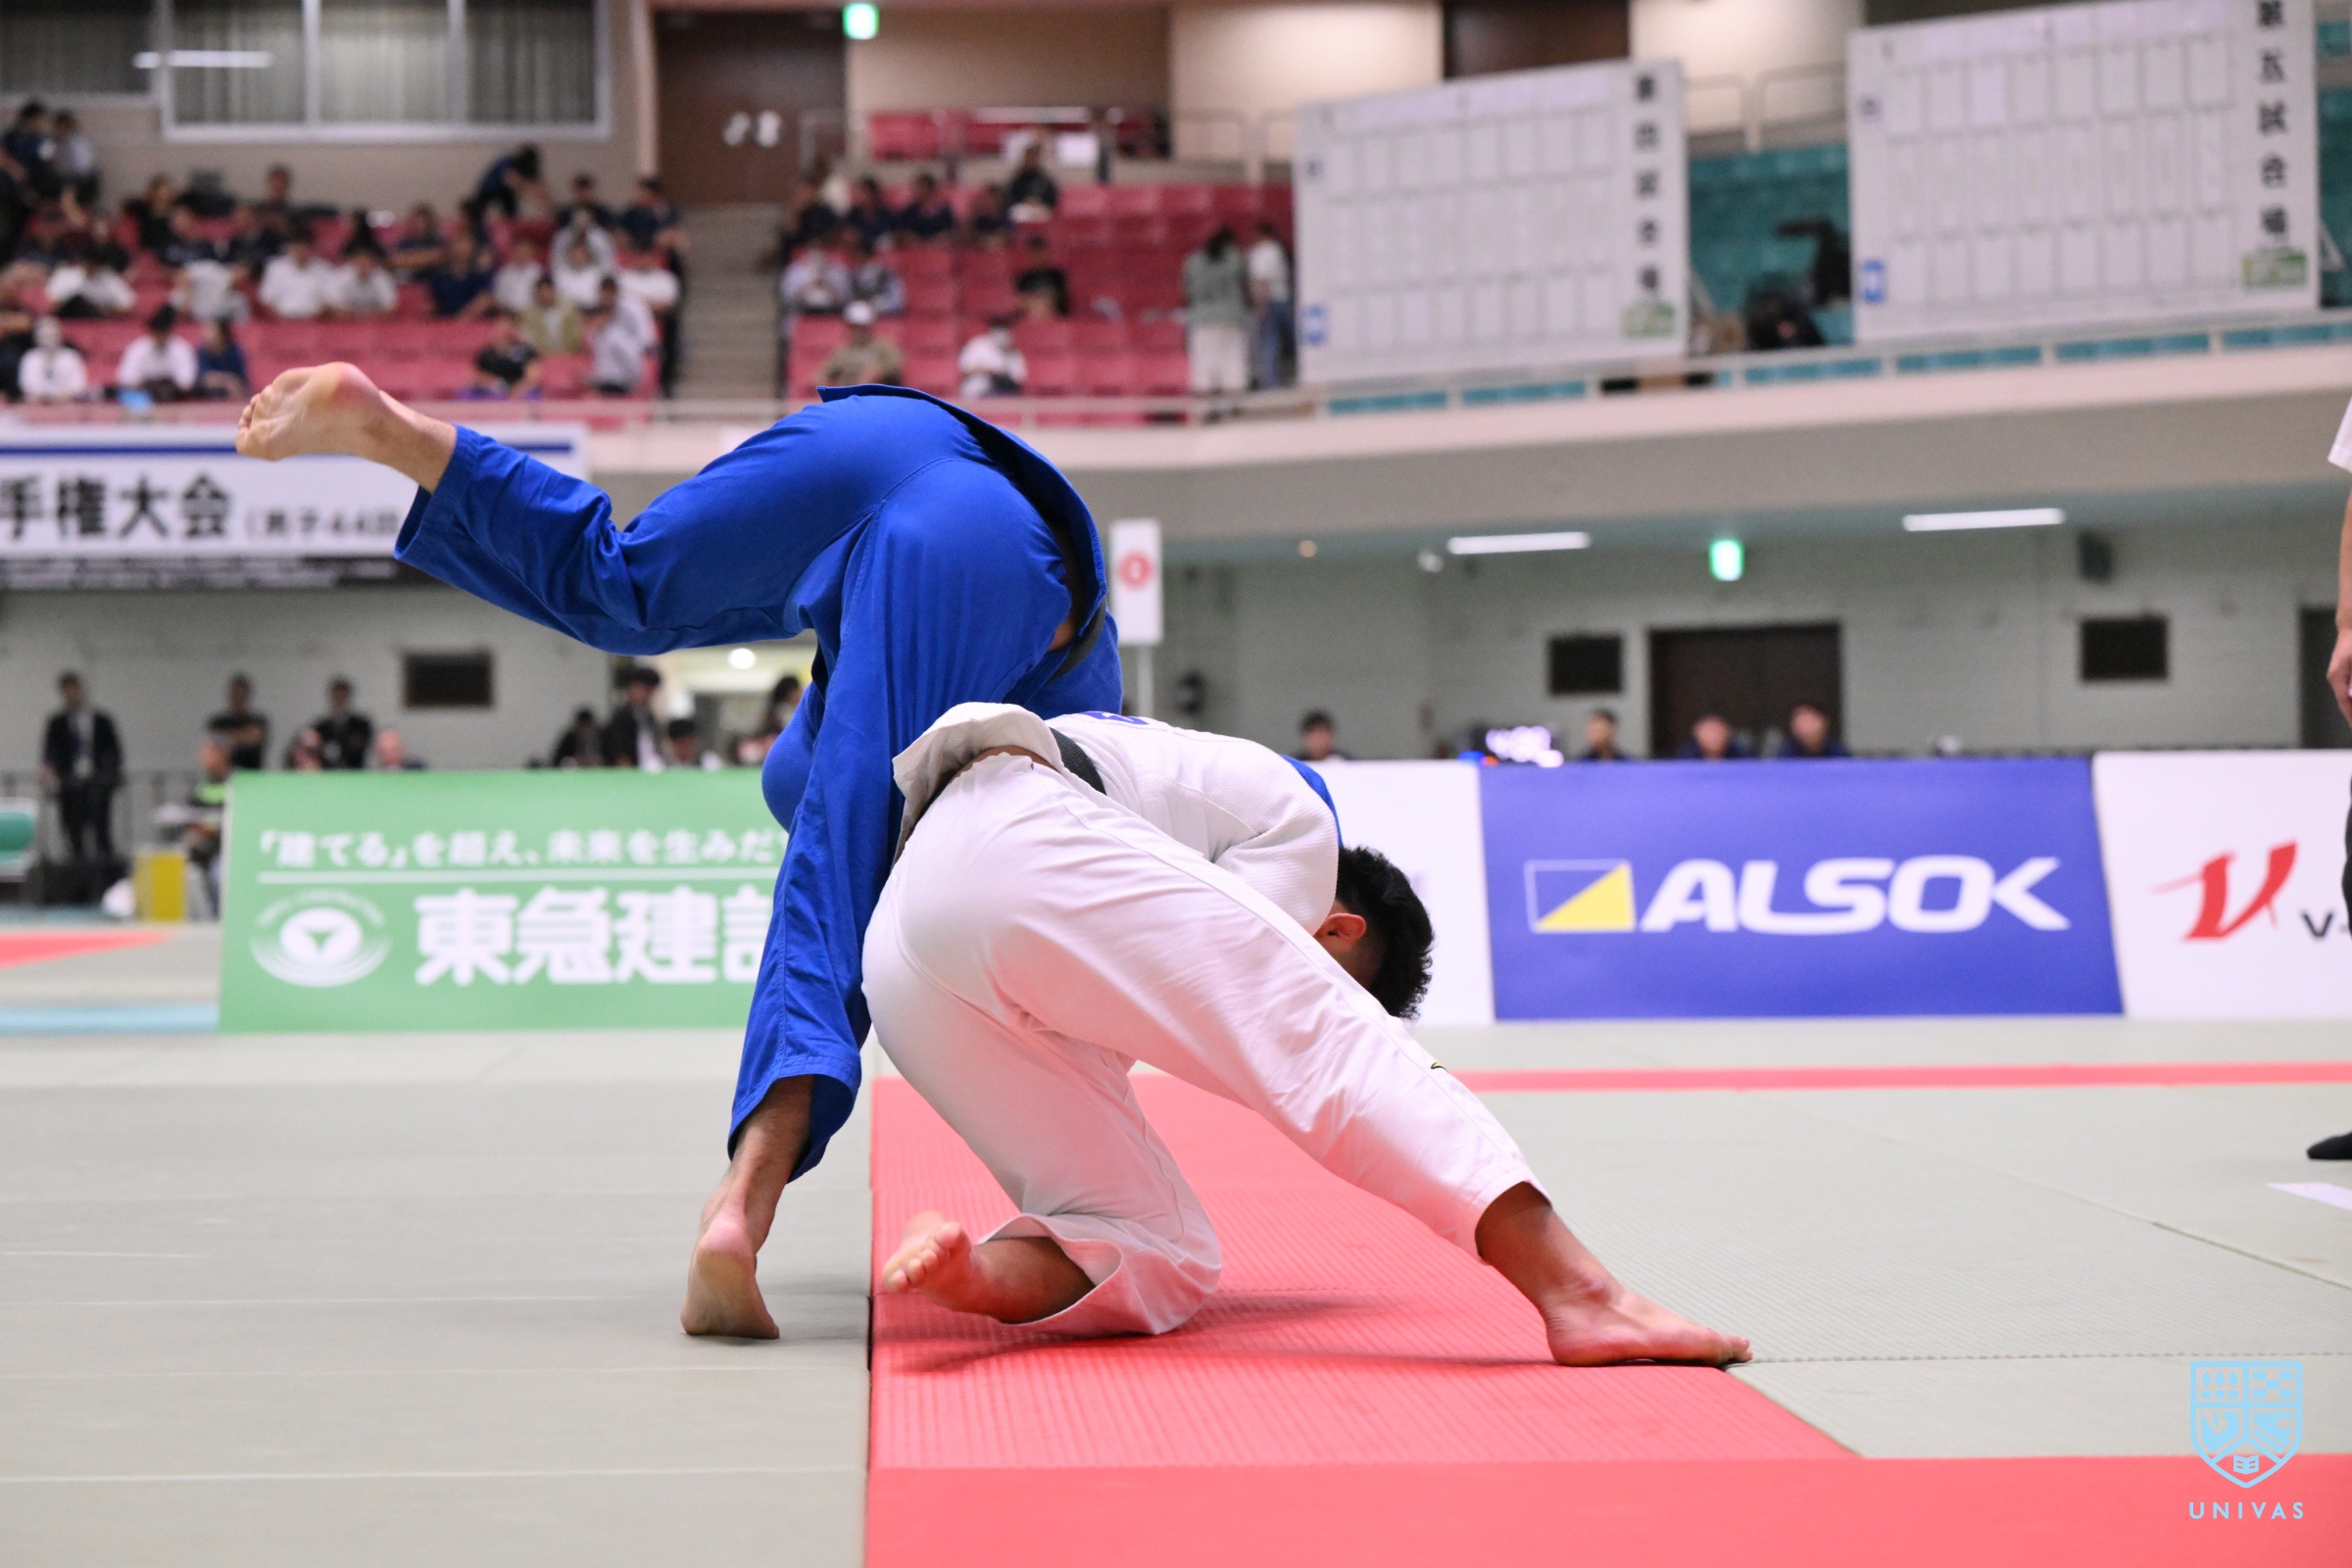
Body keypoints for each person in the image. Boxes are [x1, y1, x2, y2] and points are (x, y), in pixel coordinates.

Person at [233, 361, 1121, 1330]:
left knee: (627, 589)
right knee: (842, 858)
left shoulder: (954, 720)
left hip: (882, 437)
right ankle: (741, 1205)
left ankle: (399, 432)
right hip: (998, 552)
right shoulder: (1081, 741)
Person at [756, 701, 1750, 1366]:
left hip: (908, 958)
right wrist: (1335, 1017)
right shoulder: (1297, 829)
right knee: (1328, 1047)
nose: (1312, 970)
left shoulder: (1186, 814)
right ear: (1338, 927)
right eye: (1340, 973)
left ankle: (974, 1274)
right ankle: (1580, 1291)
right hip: (1016, 834)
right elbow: (1296, 1037)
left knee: (1162, 1251)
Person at [41, 672, 122, 871]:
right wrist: (49, 771)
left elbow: (113, 752)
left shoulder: (101, 720)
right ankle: (78, 879)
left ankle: (105, 876)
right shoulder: (57, 723)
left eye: (74, 690)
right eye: (67, 691)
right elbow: (50, 753)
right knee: (74, 836)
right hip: (70, 786)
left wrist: (108, 777)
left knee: (102, 834)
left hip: (97, 785)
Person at [1184, 227, 1250, 397]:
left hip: (1202, 318)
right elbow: (1245, 286)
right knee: (1232, 359)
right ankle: (1232, 399)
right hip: (1231, 316)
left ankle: (1206, 399)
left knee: (1205, 361)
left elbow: (1186, 291)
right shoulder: (1235, 258)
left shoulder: (1193, 261)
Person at [184, 739, 233, 916]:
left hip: (228, 846)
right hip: (204, 847)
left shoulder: (237, 782)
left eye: (209, 754)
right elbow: (189, 813)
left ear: (223, 754)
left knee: (221, 873)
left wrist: (213, 828)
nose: (204, 759)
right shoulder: (202, 786)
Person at [1246, 220, 1294, 390]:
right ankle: (1282, 378)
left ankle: (1270, 382)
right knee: (1289, 341)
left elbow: (1262, 280)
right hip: (1282, 299)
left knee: (1269, 342)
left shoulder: (1263, 252)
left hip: (1269, 301)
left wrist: (1260, 306)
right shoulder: (1276, 250)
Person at [117, 307, 198, 400]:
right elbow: (127, 379)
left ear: (170, 331)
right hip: (144, 397)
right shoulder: (138, 349)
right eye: (157, 334)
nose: (160, 338)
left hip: (175, 398)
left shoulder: (182, 349)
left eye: (163, 334)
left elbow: (186, 382)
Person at [819, 301, 902, 386]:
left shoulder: (884, 346)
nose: (857, 331)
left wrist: (877, 373)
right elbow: (823, 375)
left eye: (861, 327)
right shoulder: (843, 351)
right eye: (853, 327)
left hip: (877, 392)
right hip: (848, 391)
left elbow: (894, 366)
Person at [258, 232, 337, 320]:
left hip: (314, 322)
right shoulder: (276, 268)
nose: (300, 252)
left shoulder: (325, 269)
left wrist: (316, 319)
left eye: (304, 248)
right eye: (297, 247)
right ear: (290, 248)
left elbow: (330, 301)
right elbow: (266, 300)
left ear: (312, 248)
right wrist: (281, 320)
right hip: (282, 321)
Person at [602, 664, 666, 770]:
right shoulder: (622, 717)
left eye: (651, 691)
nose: (648, 695)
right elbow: (621, 757)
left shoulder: (648, 716)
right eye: (645, 689)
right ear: (633, 687)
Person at [425, 229, 498, 319]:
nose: (461, 248)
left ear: (473, 248)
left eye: (466, 244)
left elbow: (485, 300)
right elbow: (433, 306)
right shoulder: (439, 278)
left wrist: (460, 320)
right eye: (458, 243)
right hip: (445, 323)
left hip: (473, 323)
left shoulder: (481, 276)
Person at [471, 311, 542, 398]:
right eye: (501, 326)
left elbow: (532, 378)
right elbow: (477, 376)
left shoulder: (527, 350)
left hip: (520, 391)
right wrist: (492, 383)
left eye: (509, 326)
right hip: (493, 392)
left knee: (533, 395)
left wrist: (516, 392)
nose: (505, 330)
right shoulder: (487, 352)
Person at [16, 318, 87, 403]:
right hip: (38, 405)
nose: (48, 339)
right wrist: (46, 398)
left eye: (51, 335)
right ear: (36, 337)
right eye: (44, 335)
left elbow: (78, 387)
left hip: (66, 405)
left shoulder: (71, 357)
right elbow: (27, 388)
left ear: (60, 335)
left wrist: (58, 398)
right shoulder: (30, 358)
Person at [207, 673, 270, 769]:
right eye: (234, 695)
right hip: (226, 774)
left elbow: (255, 737)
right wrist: (242, 736)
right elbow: (212, 743)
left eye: (240, 695)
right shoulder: (218, 723)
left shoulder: (258, 720)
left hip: (252, 774)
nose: (237, 699)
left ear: (247, 696)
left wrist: (225, 737)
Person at [310, 677, 374, 769]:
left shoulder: (361, 725)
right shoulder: (321, 727)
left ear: (348, 697)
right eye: (336, 696)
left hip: (354, 771)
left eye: (342, 695)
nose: (339, 700)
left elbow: (364, 747)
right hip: (328, 772)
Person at [469, 144, 544, 222]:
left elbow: (538, 186)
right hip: (489, 188)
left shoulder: (525, 168)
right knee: (479, 210)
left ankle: (511, 224)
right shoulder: (507, 162)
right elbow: (510, 180)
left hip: (504, 191)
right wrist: (525, 192)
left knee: (511, 212)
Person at [956, 315, 1025, 398]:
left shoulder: (1014, 352)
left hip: (1003, 391)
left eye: (1004, 331)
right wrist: (984, 370)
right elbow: (964, 368)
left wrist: (997, 372)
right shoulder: (978, 344)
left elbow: (1018, 378)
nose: (1001, 336)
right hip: (977, 388)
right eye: (998, 331)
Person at [617, 176, 683, 258]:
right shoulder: (632, 212)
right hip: (636, 247)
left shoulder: (666, 210)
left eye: (642, 193)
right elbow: (621, 227)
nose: (638, 196)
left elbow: (670, 227)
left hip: (658, 247)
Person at [519, 276, 583, 356]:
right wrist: (544, 353)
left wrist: (566, 351)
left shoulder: (569, 310)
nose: (545, 295)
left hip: (568, 353)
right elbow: (530, 338)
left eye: (547, 291)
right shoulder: (530, 313)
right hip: (541, 355)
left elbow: (576, 333)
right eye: (541, 292)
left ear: (554, 291)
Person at [842, 236, 905, 318]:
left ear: (862, 253)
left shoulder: (886, 273)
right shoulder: (853, 275)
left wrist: (874, 307)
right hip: (860, 313)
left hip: (884, 315)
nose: (852, 256)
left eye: (855, 253)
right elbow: (848, 299)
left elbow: (897, 302)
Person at [1013, 233, 1068, 319]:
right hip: (1030, 317)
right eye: (1034, 254)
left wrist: (1043, 300)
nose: (1037, 257)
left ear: (1046, 254)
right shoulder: (1023, 278)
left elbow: (1061, 302)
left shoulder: (1057, 276)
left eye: (1040, 253)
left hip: (1054, 318)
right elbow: (1020, 303)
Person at [49, 111, 98, 208]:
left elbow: (84, 167)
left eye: (62, 127)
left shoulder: (78, 143)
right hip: (64, 180)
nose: (59, 130)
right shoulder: (54, 143)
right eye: (57, 127)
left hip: (81, 181)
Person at [330, 249, 398, 318]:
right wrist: (357, 313)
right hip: (348, 321)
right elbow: (333, 306)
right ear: (353, 263)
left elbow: (390, 307)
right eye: (359, 263)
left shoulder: (382, 278)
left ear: (373, 263)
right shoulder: (342, 276)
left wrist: (368, 314)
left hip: (375, 321)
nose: (363, 266)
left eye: (366, 263)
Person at [893, 172, 956, 245]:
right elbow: (901, 233)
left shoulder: (944, 211)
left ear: (930, 189)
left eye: (920, 187)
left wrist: (937, 241)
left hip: (939, 249)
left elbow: (952, 233)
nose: (916, 191)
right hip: (915, 249)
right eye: (915, 187)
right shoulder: (909, 212)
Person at [194, 318, 250, 400]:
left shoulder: (235, 352)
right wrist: (227, 381)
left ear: (222, 334)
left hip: (232, 396)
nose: (206, 335)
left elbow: (241, 381)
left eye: (211, 331)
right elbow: (204, 378)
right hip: (209, 395)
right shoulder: (201, 352)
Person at [1775, 701, 1850, 759]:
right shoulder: (1785, 755)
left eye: (1808, 721)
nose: (1804, 727)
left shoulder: (1838, 754)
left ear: (1824, 722)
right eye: (1799, 721)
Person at [551, 235, 608, 311]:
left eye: (581, 253)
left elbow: (598, 300)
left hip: (591, 312)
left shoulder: (597, 274)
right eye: (574, 253)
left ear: (588, 255)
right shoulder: (560, 274)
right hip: (566, 313)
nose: (578, 257)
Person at [493, 238, 547, 317]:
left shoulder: (537, 272)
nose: (522, 253)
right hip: (509, 314)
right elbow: (499, 298)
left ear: (532, 252)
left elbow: (542, 296)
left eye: (525, 251)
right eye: (519, 250)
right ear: (513, 251)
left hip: (532, 314)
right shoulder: (504, 273)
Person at [1004, 142, 1058, 219]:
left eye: (1033, 158)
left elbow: (1052, 198)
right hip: (1021, 208)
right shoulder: (1017, 178)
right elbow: (1010, 197)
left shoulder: (1044, 179)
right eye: (1028, 157)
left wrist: (1038, 202)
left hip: (1040, 209)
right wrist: (1025, 201)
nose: (1030, 161)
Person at [842, 176, 894, 251]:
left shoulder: (884, 212)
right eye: (861, 192)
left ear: (874, 193)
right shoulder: (854, 213)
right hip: (860, 250)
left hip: (881, 249)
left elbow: (892, 232)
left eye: (866, 191)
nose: (863, 195)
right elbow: (846, 230)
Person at [1676, 713, 1752, 761]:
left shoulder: (1741, 755)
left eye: (1718, 732)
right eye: (1708, 732)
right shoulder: (1686, 757)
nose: (1713, 737)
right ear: (1697, 735)